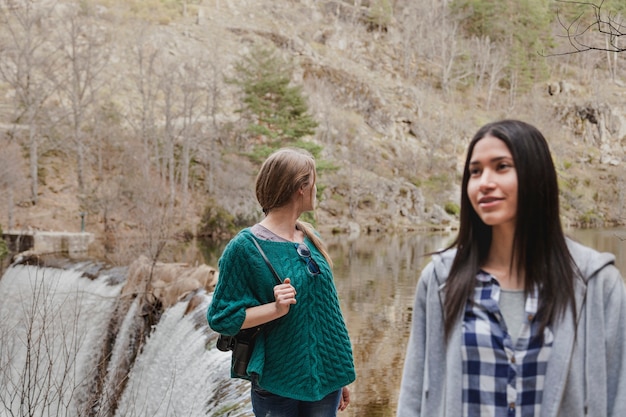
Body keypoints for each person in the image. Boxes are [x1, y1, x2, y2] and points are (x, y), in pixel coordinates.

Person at [396, 119, 626, 417]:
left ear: (537, 175)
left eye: (501, 166)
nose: (485, 182)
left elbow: (619, 396)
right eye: (475, 171)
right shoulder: (440, 279)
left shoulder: (597, 282)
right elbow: (414, 395)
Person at [207, 147, 356, 417]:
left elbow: (326, 312)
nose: (316, 189)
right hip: (277, 380)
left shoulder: (309, 236)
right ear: (300, 187)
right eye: (314, 182)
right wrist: (275, 309)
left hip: (324, 379)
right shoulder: (244, 247)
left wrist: (338, 373)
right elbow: (220, 317)